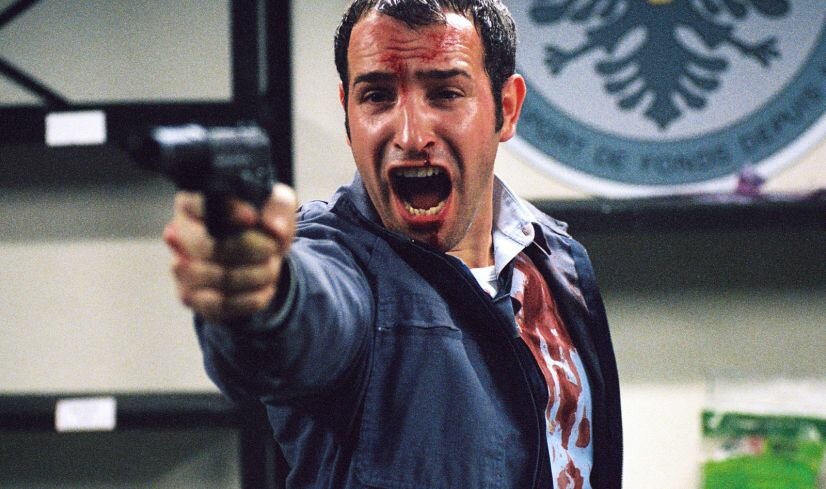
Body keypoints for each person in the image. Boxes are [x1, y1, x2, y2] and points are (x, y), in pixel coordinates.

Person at [163, 0, 623, 487]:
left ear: (506, 109)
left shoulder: (555, 258)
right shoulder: (341, 261)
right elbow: (307, 316)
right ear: (348, 114)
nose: (411, 135)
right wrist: (263, 293)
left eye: (445, 93)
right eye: (378, 96)